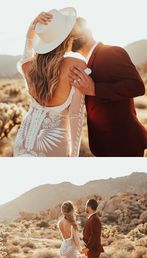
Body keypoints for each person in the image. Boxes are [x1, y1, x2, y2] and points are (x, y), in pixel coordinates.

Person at [69, 17, 147, 156]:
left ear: (88, 31)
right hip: (103, 145)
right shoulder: (84, 64)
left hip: (124, 142)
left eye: (73, 31)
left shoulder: (111, 52)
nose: (71, 36)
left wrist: (95, 89)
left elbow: (137, 86)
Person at [13, 9, 91, 157]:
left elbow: (28, 47)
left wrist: (32, 27)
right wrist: (73, 157)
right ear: (68, 38)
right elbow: (76, 115)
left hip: (22, 143)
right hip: (53, 148)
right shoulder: (76, 65)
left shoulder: (28, 66)